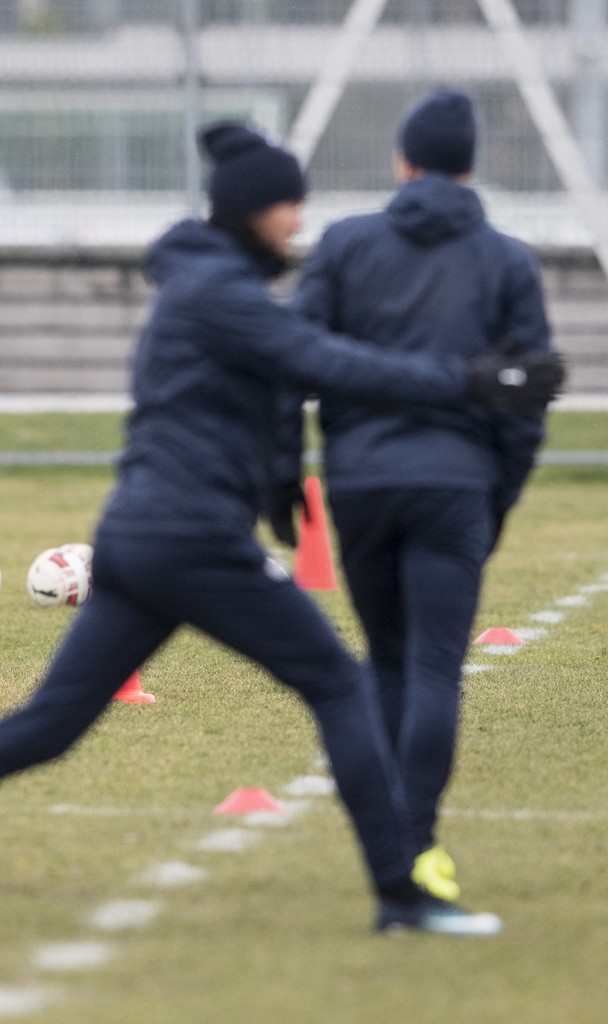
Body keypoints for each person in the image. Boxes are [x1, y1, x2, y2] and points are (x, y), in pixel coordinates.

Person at [0, 123, 564, 937]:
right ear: (251, 212)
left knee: (50, 726)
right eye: (287, 207)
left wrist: (273, 479)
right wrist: (475, 381)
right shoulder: (217, 293)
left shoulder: (209, 280)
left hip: (143, 536)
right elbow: (324, 361)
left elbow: (270, 385)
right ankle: (402, 896)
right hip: (193, 541)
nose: (298, 224)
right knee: (341, 684)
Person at [269, 89, 553, 901]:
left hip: (361, 483)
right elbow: (527, 397)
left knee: (387, 661)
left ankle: (393, 844)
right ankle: (417, 840)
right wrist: (498, 492)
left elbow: (294, 361)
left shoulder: (350, 246)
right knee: (433, 665)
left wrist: (287, 469)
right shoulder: (507, 259)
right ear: (470, 165)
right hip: (456, 484)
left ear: (402, 160)